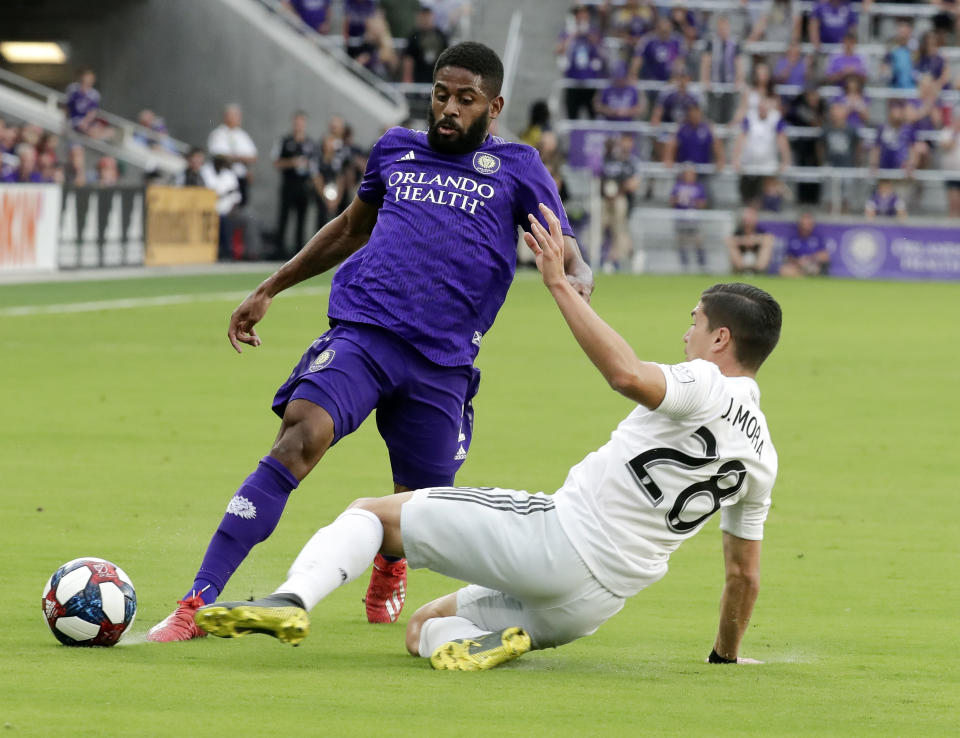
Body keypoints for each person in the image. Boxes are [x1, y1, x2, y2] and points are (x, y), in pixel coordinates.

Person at [192, 212, 781, 673]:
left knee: (370, 514)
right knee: (423, 629)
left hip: (558, 541)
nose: (687, 334)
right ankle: (498, 642)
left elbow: (626, 375)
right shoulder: (763, 456)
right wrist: (726, 655)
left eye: (696, 324)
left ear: (721, 338)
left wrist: (559, 286)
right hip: (594, 605)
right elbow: (743, 577)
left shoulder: (705, 382)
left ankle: (291, 601)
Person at [146, 41, 593, 643]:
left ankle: (391, 560)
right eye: (441, 95)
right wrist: (270, 287)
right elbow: (351, 229)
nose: (449, 110)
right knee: (300, 437)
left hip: (442, 362)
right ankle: (195, 602)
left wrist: (576, 280)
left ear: (494, 106)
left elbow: (567, 249)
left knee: (420, 511)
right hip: (364, 332)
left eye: (466, 100)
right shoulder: (395, 150)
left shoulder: (517, 167)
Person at [272, 111, 318, 259]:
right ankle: (279, 250)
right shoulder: (285, 141)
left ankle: (299, 252)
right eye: (297, 121)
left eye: (302, 122)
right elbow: (276, 162)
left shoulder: (310, 143)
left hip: (304, 186)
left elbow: (315, 166)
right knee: (284, 217)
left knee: (302, 219)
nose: (299, 125)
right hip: (289, 184)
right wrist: (293, 162)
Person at [731, 97, 791, 206]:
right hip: (749, 162)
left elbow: (782, 139)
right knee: (747, 194)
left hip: (768, 163)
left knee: (769, 193)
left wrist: (785, 160)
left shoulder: (775, 118)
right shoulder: (750, 117)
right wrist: (736, 158)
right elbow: (741, 137)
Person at [207, 104, 258, 207]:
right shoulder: (218, 134)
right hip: (224, 177)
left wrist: (234, 157)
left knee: (240, 206)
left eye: (238, 116)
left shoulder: (242, 135)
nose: (237, 119)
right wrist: (241, 158)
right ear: (226, 116)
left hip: (241, 178)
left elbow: (253, 157)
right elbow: (219, 155)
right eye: (234, 115)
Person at [700, 15, 743, 125]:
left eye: (725, 28)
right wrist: (705, 80)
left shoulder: (734, 43)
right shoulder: (712, 42)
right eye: (721, 28)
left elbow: (738, 63)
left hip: (729, 84)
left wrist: (739, 80)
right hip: (715, 84)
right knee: (713, 116)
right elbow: (706, 62)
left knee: (729, 115)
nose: (723, 31)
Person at [670, 165, 708, 270]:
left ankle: (702, 265)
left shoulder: (699, 186)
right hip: (681, 219)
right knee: (681, 243)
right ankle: (684, 266)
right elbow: (672, 200)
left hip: (694, 219)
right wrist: (680, 199)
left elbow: (703, 203)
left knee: (698, 242)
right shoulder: (678, 186)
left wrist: (691, 201)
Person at [779, 211, 829, 277]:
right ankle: (802, 277)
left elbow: (825, 256)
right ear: (799, 224)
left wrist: (809, 259)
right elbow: (788, 257)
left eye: (808, 224)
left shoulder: (818, 237)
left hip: (812, 265)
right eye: (803, 224)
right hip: (797, 266)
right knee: (784, 270)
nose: (805, 227)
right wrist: (798, 261)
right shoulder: (793, 238)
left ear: (812, 225)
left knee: (812, 269)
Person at [726, 206, 774, 274]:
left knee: (767, 245)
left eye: (751, 218)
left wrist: (753, 240)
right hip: (742, 257)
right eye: (747, 218)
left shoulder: (760, 230)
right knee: (731, 245)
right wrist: (745, 241)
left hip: (756, 257)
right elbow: (730, 239)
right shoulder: (738, 231)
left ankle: (759, 271)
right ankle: (742, 270)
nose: (749, 221)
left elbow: (769, 238)